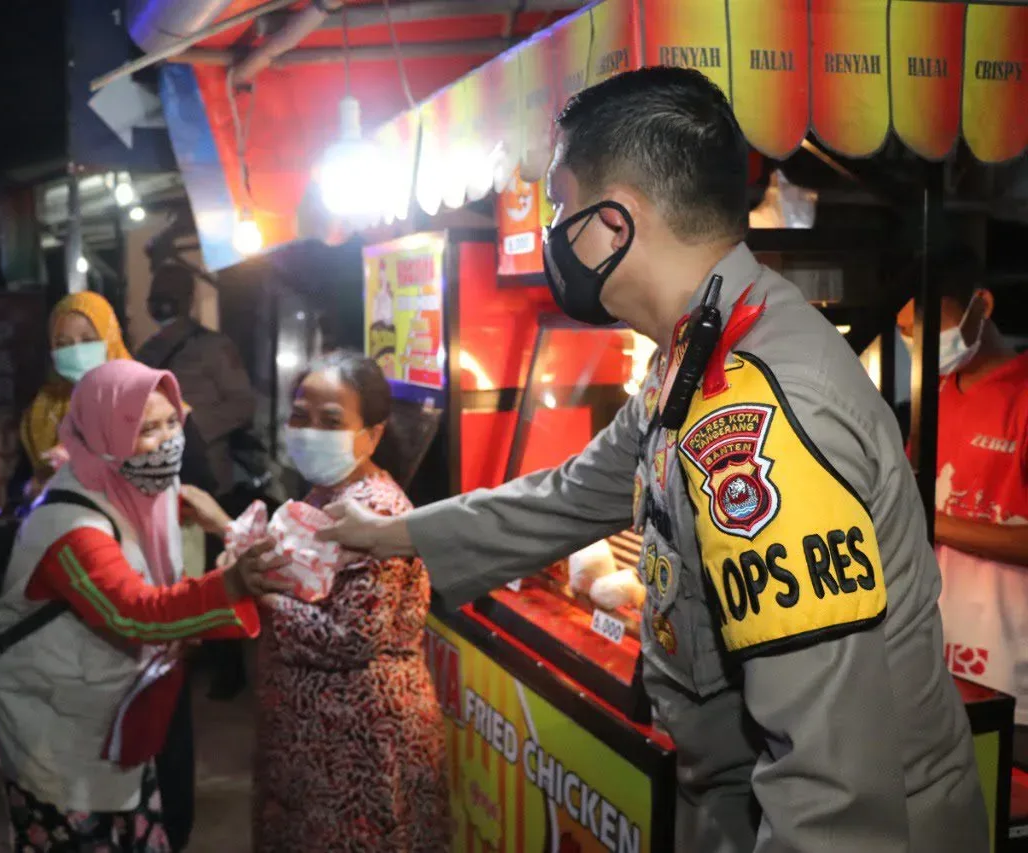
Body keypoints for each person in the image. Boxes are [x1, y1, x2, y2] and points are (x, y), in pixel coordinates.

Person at [320, 67, 987, 852]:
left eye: (562, 206)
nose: (554, 231)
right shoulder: (696, 352)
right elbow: (571, 495)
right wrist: (390, 535)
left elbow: (829, 781)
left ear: (613, 224)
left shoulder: (757, 404)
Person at [0, 359, 267, 852]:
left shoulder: (138, 486)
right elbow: (135, 614)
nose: (167, 441)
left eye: (172, 422)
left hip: (113, 713)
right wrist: (233, 584)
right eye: (145, 429)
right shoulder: (70, 526)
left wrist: (223, 526)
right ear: (104, 435)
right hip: (59, 730)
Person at [183, 351, 450, 852]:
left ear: (371, 433)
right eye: (299, 416)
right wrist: (233, 540)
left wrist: (254, 593)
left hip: (360, 744)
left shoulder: (380, 515)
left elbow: (350, 638)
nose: (309, 431)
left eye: (331, 421)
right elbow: (289, 559)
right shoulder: (321, 494)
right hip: (306, 738)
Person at [897, 248, 1028, 769]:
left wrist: (934, 520)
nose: (918, 343)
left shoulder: (1022, 394)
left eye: (929, 327)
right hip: (940, 664)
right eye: (908, 333)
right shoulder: (934, 397)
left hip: (1015, 675)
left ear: (983, 305)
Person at [137, 258, 256, 701]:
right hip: (159, 481)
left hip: (206, 477)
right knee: (175, 571)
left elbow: (242, 405)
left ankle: (227, 669)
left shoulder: (214, 347)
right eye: (158, 288)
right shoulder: (145, 351)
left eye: (169, 288)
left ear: (187, 296)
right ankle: (186, 658)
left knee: (213, 571)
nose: (161, 298)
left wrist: (190, 429)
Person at [20, 291, 132, 496]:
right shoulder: (41, 409)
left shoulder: (141, 397)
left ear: (111, 337)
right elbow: (23, 477)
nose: (77, 352)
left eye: (88, 340)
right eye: (63, 344)